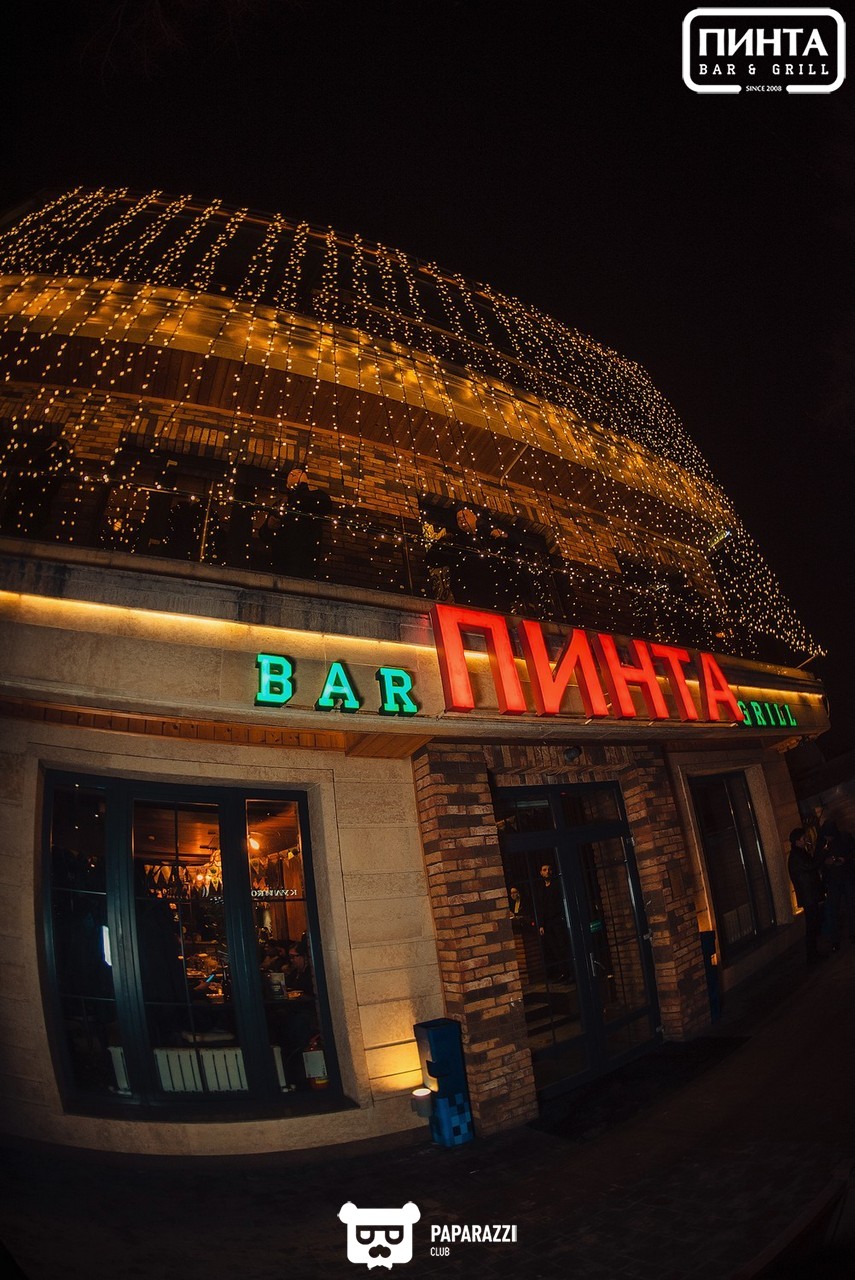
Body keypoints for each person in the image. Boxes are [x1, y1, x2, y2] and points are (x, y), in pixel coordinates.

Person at [816, 819, 855, 950]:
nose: (828, 839)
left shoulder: (845, 837)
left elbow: (852, 852)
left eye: (830, 836)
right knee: (832, 909)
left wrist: (845, 859)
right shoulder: (821, 841)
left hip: (847, 876)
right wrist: (825, 860)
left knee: (851, 905)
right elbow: (817, 859)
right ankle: (834, 939)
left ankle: (853, 933)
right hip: (832, 880)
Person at [787, 827, 824, 965]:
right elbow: (811, 866)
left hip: (810, 894)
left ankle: (814, 954)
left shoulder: (800, 853)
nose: (806, 840)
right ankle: (812, 956)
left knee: (813, 924)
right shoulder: (797, 856)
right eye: (803, 838)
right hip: (808, 895)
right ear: (797, 841)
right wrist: (822, 853)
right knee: (811, 925)